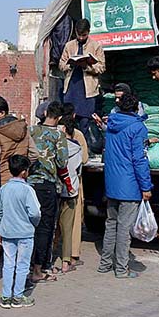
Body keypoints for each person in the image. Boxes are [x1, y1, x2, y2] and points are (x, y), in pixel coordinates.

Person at [0, 96, 38, 287]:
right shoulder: (24, 130)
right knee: (21, 230)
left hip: (1, 185)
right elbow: (35, 155)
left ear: (0, 113)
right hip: (21, 183)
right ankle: (21, 275)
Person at [98, 93, 152, 279]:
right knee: (124, 228)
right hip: (129, 185)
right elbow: (139, 159)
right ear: (137, 108)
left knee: (111, 224)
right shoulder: (138, 128)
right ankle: (121, 269)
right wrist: (146, 186)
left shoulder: (111, 124)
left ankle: (105, 264)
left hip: (112, 183)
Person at [27, 101, 68, 283]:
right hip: (47, 185)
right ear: (58, 118)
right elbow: (62, 162)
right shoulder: (59, 135)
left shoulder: (32, 130)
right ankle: (38, 269)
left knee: (29, 226)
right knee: (45, 228)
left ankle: (25, 266)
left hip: (29, 184)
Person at [0, 155, 41, 309]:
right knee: (22, 265)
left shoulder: (4, 189)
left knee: (8, 264)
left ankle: (6, 296)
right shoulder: (28, 190)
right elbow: (35, 213)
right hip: (25, 233)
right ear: (23, 172)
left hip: (7, 232)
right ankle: (18, 296)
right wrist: (33, 224)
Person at [58, 19, 106, 132]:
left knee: (85, 121)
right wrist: (71, 65)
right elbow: (61, 64)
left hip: (88, 91)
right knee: (68, 120)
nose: (80, 38)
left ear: (88, 32)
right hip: (71, 88)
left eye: (83, 35)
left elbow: (102, 67)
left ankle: (84, 146)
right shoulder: (69, 46)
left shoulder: (96, 46)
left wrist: (87, 66)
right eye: (79, 35)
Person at [61, 103, 89, 267]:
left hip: (54, 181)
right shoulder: (76, 134)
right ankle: (72, 254)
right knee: (73, 220)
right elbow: (84, 159)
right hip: (72, 182)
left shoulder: (52, 132)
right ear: (73, 116)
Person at [58, 116, 84, 274]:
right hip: (71, 190)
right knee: (67, 228)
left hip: (55, 189)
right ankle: (66, 263)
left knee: (50, 227)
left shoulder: (55, 146)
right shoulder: (77, 148)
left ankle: (44, 262)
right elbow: (79, 168)